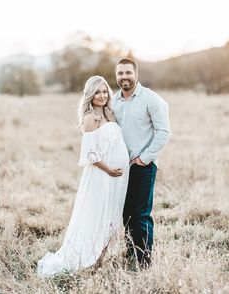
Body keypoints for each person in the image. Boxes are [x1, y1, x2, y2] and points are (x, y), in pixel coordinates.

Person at [37, 76, 130, 277]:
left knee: (111, 216)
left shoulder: (109, 113)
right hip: (101, 176)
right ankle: (90, 260)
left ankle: (101, 259)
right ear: (90, 95)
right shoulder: (90, 118)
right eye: (97, 92)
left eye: (105, 91)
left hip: (117, 178)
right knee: (97, 216)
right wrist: (109, 170)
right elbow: (90, 154)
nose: (102, 95)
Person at [112, 58, 171, 268]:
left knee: (140, 214)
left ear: (136, 74)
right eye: (120, 73)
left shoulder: (152, 100)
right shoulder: (114, 100)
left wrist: (144, 158)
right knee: (125, 213)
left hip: (143, 167)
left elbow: (164, 132)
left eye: (128, 72)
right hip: (121, 168)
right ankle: (131, 254)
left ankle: (144, 262)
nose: (124, 77)